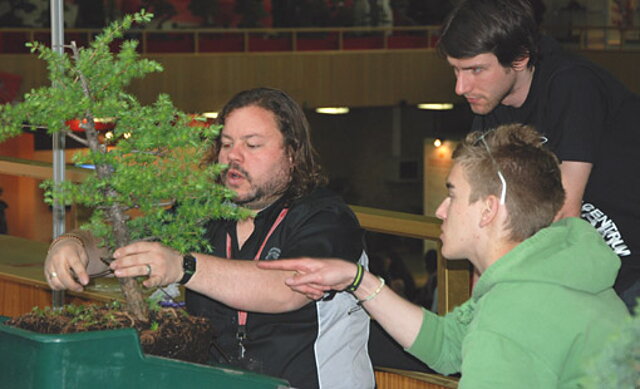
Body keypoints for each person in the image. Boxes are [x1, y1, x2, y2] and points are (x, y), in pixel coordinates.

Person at [43, 87, 374, 389]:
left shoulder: (326, 218)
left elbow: (289, 288)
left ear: (292, 153)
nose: (233, 156)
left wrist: (184, 266)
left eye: (253, 144)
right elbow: (125, 243)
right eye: (226, 144)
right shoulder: (204, 210)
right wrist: (72, 244)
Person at [259, 124, 630, 388]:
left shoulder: (513, 317)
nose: (440, 210)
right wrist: (357, 280)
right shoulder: (550, 272)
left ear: (487, 210)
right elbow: (448, 345)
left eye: (452, 194)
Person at [437, 0, 640, 310]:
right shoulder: (490, 107)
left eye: (476, 70)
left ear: (519, 59)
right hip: (591, 268)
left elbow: (563, 211)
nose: (460, 87)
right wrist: (478, 309)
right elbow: (482, 217)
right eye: (455, 70)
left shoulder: (573, 84)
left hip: (629, 268)